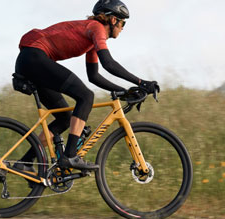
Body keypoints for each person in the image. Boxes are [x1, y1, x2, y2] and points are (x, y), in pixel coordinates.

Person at [13, 0, 159, 172]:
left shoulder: (91, 37)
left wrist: (124, 92)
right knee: (86, 96)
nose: (123, 28)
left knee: (65, 119)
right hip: (35, 57)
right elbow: (109, 63)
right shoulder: (96, 28)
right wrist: (142, 82)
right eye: (123, 23)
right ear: (113, 20)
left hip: (31, 61)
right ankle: (70, 156)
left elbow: (94, 76)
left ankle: (26, 162)